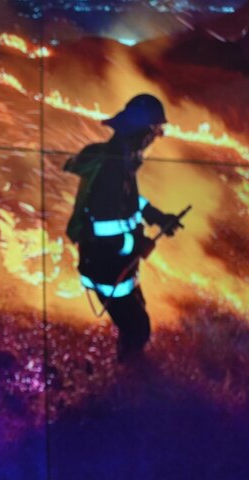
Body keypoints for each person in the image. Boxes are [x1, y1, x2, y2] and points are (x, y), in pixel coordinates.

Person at [64, 94, 183, 362]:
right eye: (156, 131)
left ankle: (126, 366)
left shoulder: (122, 160)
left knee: (135, 319)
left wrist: (158, 217)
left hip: (116, 265)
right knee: (137, 329)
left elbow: (129, 201)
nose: (156, 138)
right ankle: (125, 379)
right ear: (143, 132)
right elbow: (104, 228)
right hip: (106, 267)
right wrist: (136, 245)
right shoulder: (113, 167)